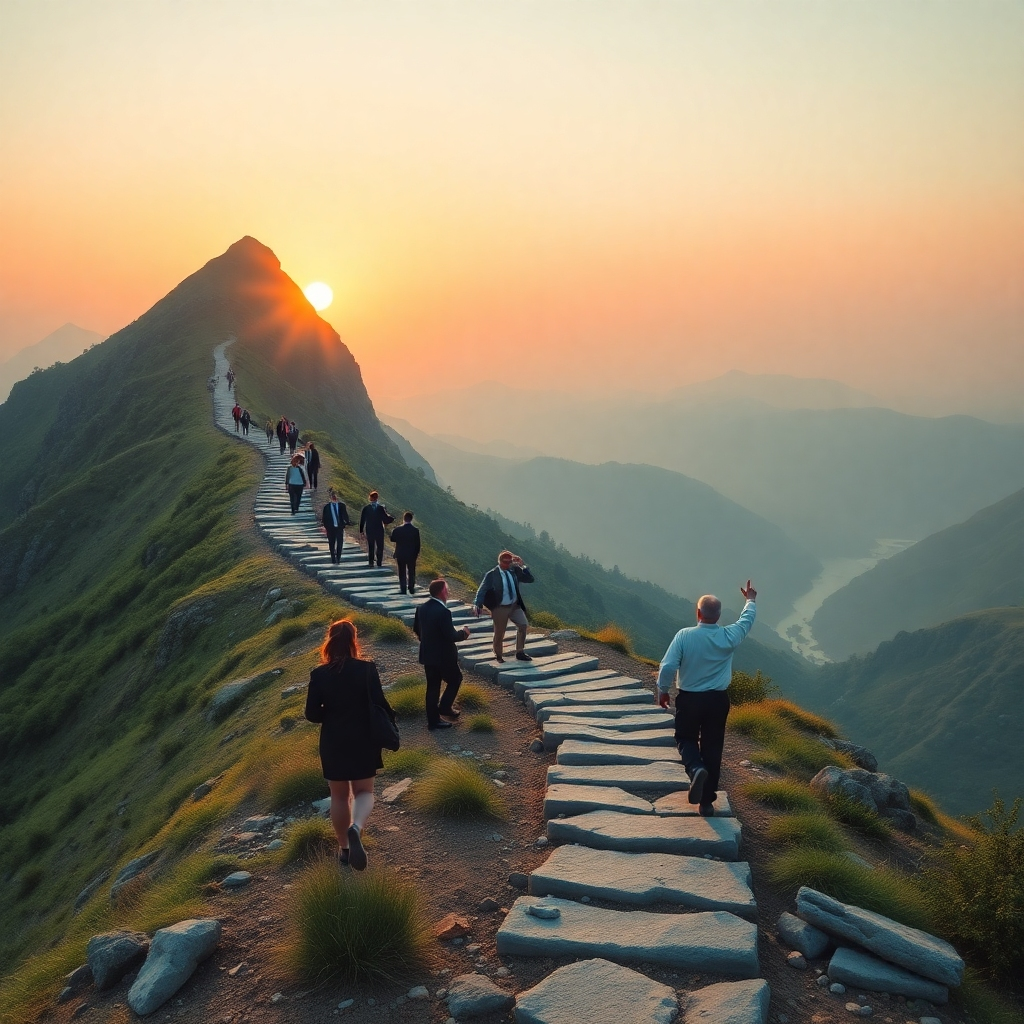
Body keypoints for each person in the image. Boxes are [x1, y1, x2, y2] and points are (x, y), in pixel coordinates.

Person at [656, 581, 758, 817]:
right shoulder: (729, 636)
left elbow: (669, 665)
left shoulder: (684, 636)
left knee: (685, 738)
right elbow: (746, 621)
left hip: (690, 699)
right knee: (713, 747)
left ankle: (696, 769)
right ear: (719, 615)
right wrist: (750, 600)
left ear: (698, 613)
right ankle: (706, 803)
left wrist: (663, 690)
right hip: (717, 700)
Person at [304, 619, 396, 869]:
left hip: (334, 739)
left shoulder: (319, 674)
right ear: (354, 641)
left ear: (330, 642)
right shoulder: (367, 669)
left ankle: (345, 849)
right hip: (364, 738)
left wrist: (331, 715)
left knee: (339, 795)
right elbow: (380, 703)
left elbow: (311, 714)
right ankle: (357, 827)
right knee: (364, 792)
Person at [413, 579, 471, 730]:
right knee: (455, 679)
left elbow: (416, 629)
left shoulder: (422, 608)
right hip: (444, 657)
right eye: (447, 589)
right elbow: (451, 636)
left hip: (428, 654)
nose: (449, 592)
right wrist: (464, 633)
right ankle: (445, 707)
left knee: (432, 687)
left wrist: (426, 640)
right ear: (442, 592)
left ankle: (433, 721)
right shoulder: (444, 612)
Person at [472, 551, 535, 663]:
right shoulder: (492, 574)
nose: (508, 564)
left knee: (523, 625)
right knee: (500, 632)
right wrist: (478, 604)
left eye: (510, 562)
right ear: (499, 561)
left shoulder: (514, 570)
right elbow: (482, 590)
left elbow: (530, 579)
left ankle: (520, 652)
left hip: (514, 605)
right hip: (500, 607)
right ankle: (498, 654)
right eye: (505, 562)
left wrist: (522, 565)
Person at [359, 490, 395, 568]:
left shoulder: (366, 508)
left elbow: (362, 520)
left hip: (370, 530)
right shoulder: (380, 508)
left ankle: (371, 562)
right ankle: (379, 562)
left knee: (371, 546)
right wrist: (392, 519)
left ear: (370, 498)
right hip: (379, 530)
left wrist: (361, 531)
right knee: (380, 547)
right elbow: (385, 519)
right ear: (377, 498)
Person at [390, 511, 421, 595]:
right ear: (411, 519)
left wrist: (393, 530)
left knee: (401, 571)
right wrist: (416, 554)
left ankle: (403, 589)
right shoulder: (415, 530)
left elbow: (392, 539)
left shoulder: (397, 529)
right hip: (411, 554)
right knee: (411, 571)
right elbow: (418, 545)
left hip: (400, 553)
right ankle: (411, 588)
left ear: (403, 519)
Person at [322, 488, 351, 563]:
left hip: (339, 527)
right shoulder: (327, 507)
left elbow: (345, 515)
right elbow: (324, 518)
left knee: (340, 543)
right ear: (330, 498)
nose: (334, 498)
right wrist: (326, 527)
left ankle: (338, 557)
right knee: (331, 543)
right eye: (332, 496)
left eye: (335, 496)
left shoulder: (342, 506)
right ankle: (333, 558)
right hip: (330, 528)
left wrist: (347, 522)